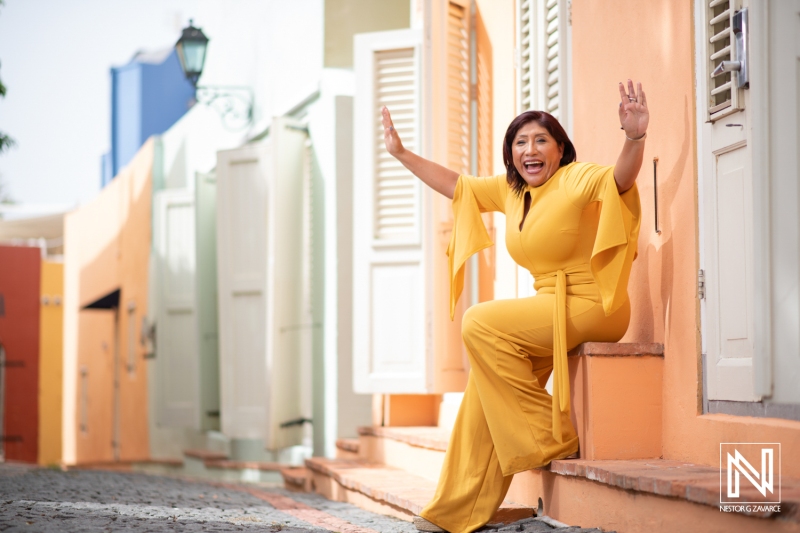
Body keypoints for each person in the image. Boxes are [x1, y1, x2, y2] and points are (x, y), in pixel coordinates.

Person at [380, 80, 649, 533]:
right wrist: (402, 155)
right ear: (511, 155)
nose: (531, 149)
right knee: (481, 397)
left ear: (560, 149)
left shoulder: (575, 178)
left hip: (593, 304)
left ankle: (549, 434)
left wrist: (634, 137)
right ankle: (454, 511)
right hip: (550, 310)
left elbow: (620, 178)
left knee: (479, 322)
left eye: (541, 140)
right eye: (520, 142)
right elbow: (455, 184)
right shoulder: (513, 191)